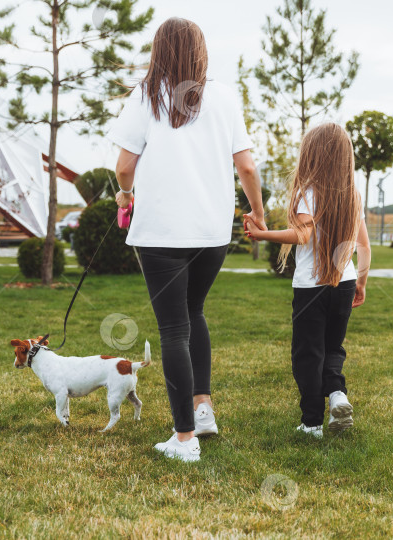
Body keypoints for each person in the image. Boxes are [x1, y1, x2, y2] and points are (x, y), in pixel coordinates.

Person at [108, 17, 265, 462]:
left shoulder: (145, 96)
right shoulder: (224, 97)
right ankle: (202, 411)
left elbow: (124, 167)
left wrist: (125, 195)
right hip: (212, 234)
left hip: (160, 233)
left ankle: (183, 440)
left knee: (173, 329)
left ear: (159, 50)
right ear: (200, 50)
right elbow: (248, 168)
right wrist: (256, 211)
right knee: (194, 313)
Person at [245, 123, 371, 439]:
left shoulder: (309, 192)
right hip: (344, 283)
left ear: (311, 155)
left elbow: (301, 234)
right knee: (332, 347)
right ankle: (338, 395)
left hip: (311, 288)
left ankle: (312, 422)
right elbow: (364, 246)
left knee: (308, 353)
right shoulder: (353, 194)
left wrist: (262, 234)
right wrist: (361, 281)